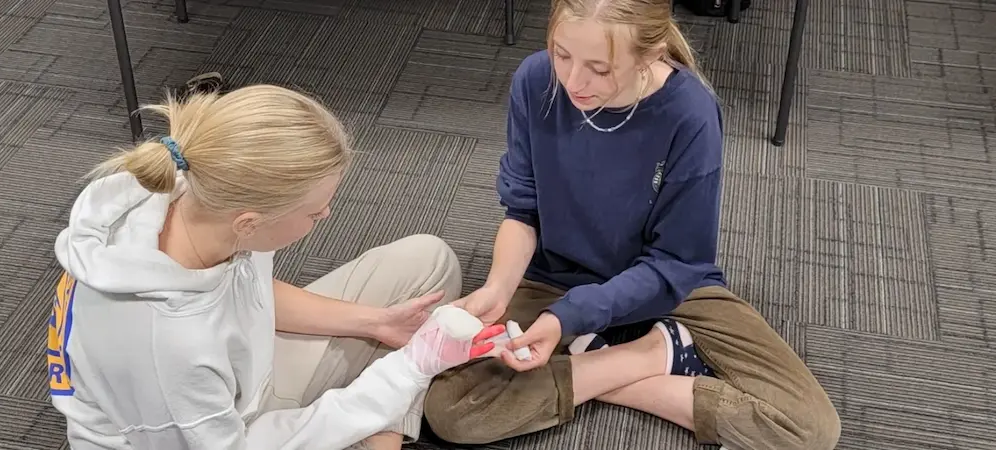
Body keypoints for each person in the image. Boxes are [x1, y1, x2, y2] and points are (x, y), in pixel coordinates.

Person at [422, 1, 842, 449]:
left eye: (599, 69)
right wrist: (499, 288)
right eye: (561, 54)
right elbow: (522, 211)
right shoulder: (534, 79)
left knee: (808, 429)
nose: (572, 82)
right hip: (554, 279)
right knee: (451, 412)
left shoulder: (690, 115)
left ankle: (615, 357)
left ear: (651, 55)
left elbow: (676, 263)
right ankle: (650, 355)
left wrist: (570, 320)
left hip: (670, 288)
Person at [47, 83, 502, 450]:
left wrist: (377, 323)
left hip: (237, 378)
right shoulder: (171, 346)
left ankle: (377, 420)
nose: (325, 217)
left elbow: (246, 289)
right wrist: (412, 368)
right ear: (249, 223)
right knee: (405, 368)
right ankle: (381, 427)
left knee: (429, 261)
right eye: (314, 211)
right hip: (217, 431)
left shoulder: (195, 185)